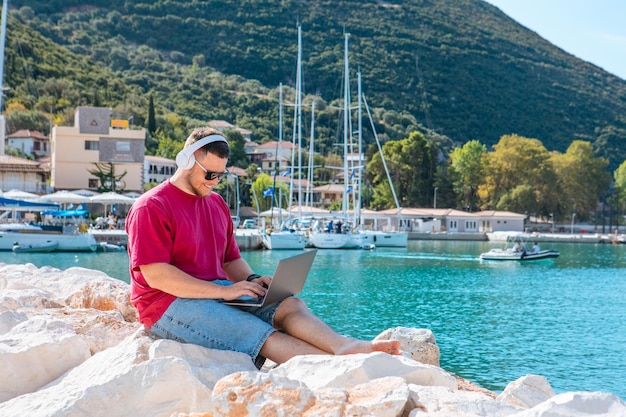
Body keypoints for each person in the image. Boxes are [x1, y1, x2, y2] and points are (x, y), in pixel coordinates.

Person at [125, 127, 400, 368]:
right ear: (185, 161)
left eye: (220, 175)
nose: (213, 182)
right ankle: (337, 367)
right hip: (166, 304)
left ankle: (343, 347)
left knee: (288, 304)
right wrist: (225, 291)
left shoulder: (216, 204)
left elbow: (230, 261)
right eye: (209, 174)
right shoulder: (152, 207)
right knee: (258, 332)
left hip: (215, 292)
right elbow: (157, 275)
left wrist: (253, 281)